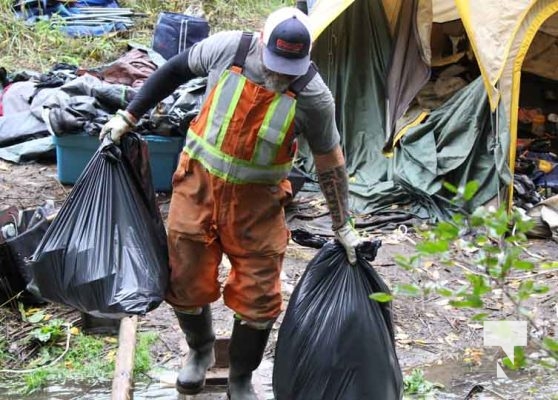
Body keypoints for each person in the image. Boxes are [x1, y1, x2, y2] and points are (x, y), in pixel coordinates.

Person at [100, 7, 362, 400]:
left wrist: (343, 225)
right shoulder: (228, 49)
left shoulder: (313, 96)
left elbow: (331, 162)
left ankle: (240, 376)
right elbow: (173, 70)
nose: (280, 74)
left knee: (260, 297)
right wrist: (130, 115)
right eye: (276, 63)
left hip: (257, 207)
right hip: (198, 187)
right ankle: (200, 351)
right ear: (261, 39)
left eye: (290, 67)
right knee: (185, 277)